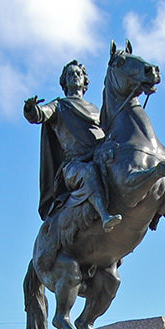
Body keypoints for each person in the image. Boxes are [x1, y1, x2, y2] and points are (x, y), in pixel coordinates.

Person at [24, 60, 121, 233]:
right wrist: (31, 109)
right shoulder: (59, 106)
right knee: (89, 172)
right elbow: (39, 115)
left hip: (98, 156)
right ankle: (105, 216)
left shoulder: (96, 109)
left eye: (78, 73)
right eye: (70, 74)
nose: (75, 76)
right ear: (64, 81)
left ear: (85, 81)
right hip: (74, 165)